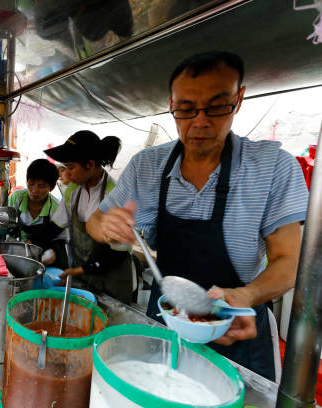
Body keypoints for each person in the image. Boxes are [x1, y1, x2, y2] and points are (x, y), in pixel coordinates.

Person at [86, 51, 309, 380]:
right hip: (168, 320)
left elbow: (290, 261)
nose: (200, 121)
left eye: (217, 106)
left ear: (239, 98)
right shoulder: (148, 166)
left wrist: (244, 296)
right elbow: (93, 222)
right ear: (171, 104)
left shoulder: (273, 168)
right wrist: (106, 226)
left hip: (239, 324)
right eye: (186, 109)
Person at [29, 131, 135, 303]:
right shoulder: (74, 190)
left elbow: (118, 252)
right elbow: (55, 227)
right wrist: (31, 244)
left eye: (71, 168)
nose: (67, 174)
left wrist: (82, 270)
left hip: (111, 280)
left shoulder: (115, 195)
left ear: (90, 164)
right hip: (86, 278)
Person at [8, 159, 67, 268]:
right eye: (31, 184)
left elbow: (61, 240)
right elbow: (6, 225)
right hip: (19, 251)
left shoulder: (56, 208)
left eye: (41, 186)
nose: (34, 190)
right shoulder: (16, 198)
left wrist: (53, 251)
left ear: (52, 187)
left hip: (43, 255)